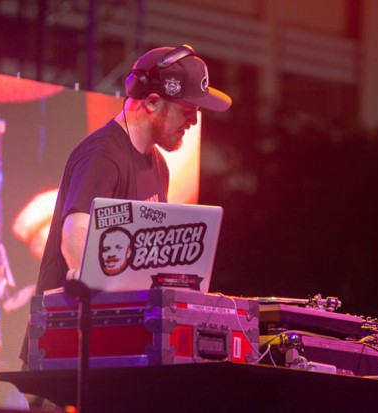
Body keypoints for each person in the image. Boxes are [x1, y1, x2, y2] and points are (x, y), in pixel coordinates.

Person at [20, 44, 232, 365]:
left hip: (113, 348)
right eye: (187, 109)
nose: (193, 120)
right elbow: (76, 234)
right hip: (65, 350)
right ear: (152, 102)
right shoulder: (103, 154)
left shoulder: (158, 166)